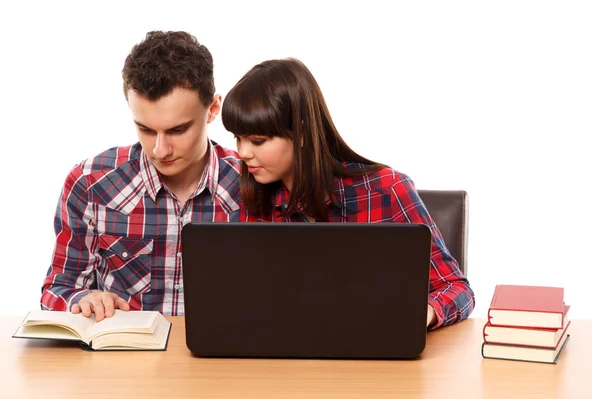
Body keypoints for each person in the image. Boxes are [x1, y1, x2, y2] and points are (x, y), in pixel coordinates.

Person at [221, 58, 475, 329]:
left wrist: (420, 314)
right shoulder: (251, 197)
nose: (244, 152)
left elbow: (456, 289)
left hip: (374, 358)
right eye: (238, 138)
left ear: (303, 133)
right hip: (286, 360)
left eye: (258, 141)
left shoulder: (388, 189)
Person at [41, 31, 241, 321]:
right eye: (146, 129)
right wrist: (84, 299)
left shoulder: (254, 183)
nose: (160, 150)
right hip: (122, 361)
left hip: (222, 362)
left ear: (212, 109)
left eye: (177, 130)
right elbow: (58, 288)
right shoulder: (90, 183)